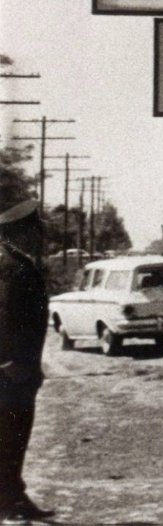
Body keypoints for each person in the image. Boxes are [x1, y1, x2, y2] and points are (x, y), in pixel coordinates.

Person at [0, 199, 52, 524]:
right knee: (8, 435)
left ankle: (15, 495)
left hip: (22, 369)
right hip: (10, 371)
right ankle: (7, 504)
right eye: (36, 229)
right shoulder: (8, 265)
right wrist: (7, 362)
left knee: (16, 435)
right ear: (23, 231)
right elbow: (3, 316)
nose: (41, 235)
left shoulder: (17, 261)